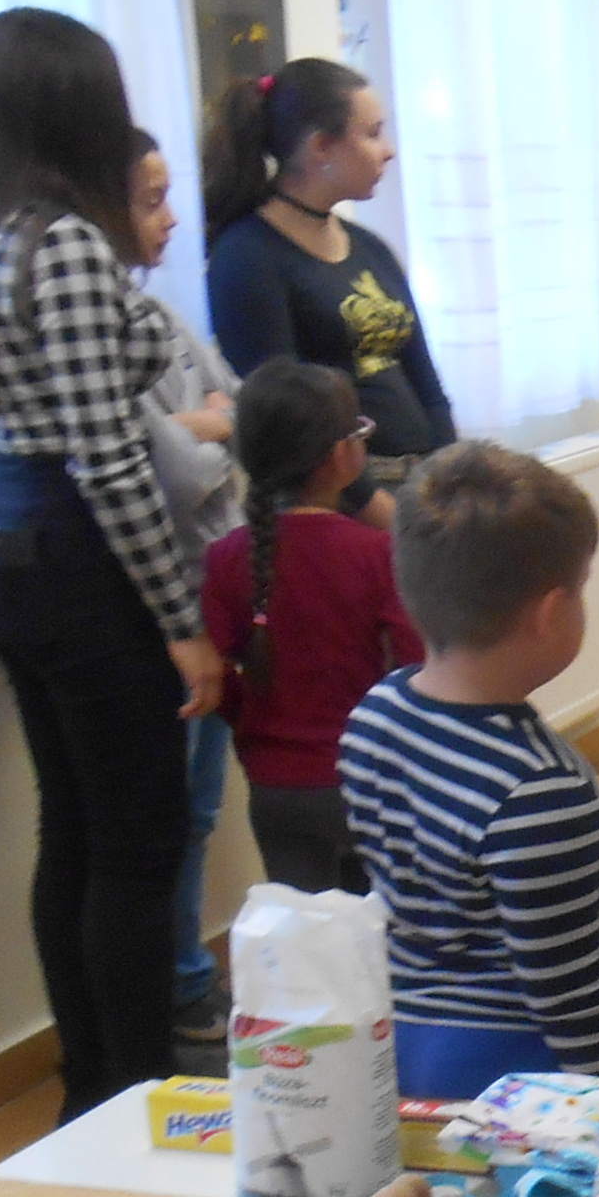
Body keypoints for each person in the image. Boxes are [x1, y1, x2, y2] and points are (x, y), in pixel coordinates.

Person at [0, 7, 220, 1120]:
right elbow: (110, 460)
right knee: (140, 837)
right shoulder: (58, 243)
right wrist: (179, 622)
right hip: (73, 548)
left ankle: (92, 1087)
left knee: (77, 828)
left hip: (9, 541)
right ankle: (137, 1093)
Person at [339, 443, 599, 1100]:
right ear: (549, 614)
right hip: (520, 1073)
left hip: (408, 1037)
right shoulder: (537, 793)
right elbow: (572, 996)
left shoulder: (376, 715)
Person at [202, 363, 419, 898]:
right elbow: (415, 663)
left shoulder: (225, 558)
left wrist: (256, 731)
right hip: (368, 781)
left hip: (275, 788)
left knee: (305, 939)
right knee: (380, 936)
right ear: (343, 456)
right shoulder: (376, 553)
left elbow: (220, 674)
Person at [201, 57, 452, 516]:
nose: (388, 150)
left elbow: (426, 382)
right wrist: (378, 510)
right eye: (372, 134)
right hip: (337, 501)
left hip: (420, 485)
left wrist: (449, 477)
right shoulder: (248, 257)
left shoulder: (369, 247)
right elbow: (287, 419)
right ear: (321, 147)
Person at [126, 129, 241, 1060]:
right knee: (165, 815)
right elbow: (186, 475)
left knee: (201, 809)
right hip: (160, 605)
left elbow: (238, 406)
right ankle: (177, 989)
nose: (168, 219)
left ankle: (188, 983)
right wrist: (201, 429)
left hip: (212, 588)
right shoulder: (96, 342)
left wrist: (198, 424)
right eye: (149, 199)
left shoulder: (161, 319)